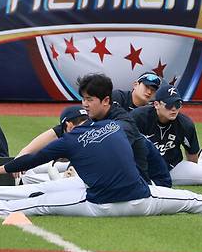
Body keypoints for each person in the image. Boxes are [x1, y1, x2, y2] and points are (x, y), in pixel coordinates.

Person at [0, 108, 202, 217]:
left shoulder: (69, 139)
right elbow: (146, 148)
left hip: (100, 205)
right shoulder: (115, 127)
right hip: (143, 198)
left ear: (71, 125)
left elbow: (33, 157)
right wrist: (159, 182)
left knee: (42, 203)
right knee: (190, 198)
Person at [0, 105, 170, 203]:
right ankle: (0, 191)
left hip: (146, 185)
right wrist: (19, 158)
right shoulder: (101, 126)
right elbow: (39, 148)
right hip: (130, 184)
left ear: (68, 125)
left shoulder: (79, 134)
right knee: (46, 177)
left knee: (55, 185)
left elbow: (38, 156)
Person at [13, 73, 160, 185]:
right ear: (136, 84)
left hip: (128, 184)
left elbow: (112, 149)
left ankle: (57, 179)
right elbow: (55, 133)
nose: (85, 104)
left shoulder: (124, 120)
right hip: (106, 179)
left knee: (58, 184)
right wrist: (23, 154)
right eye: (84, 99)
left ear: (106, 101)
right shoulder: (107, 106)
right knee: (42, 176)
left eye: (89, 99)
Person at [131, 84, 202, 186]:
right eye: (169, 105)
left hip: (172, 169)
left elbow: (192, 158)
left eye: (177, 104)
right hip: (141, 169)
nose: (174, 109)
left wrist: (193, 170)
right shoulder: (138, 118)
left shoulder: (185, 124)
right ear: (156, 104)